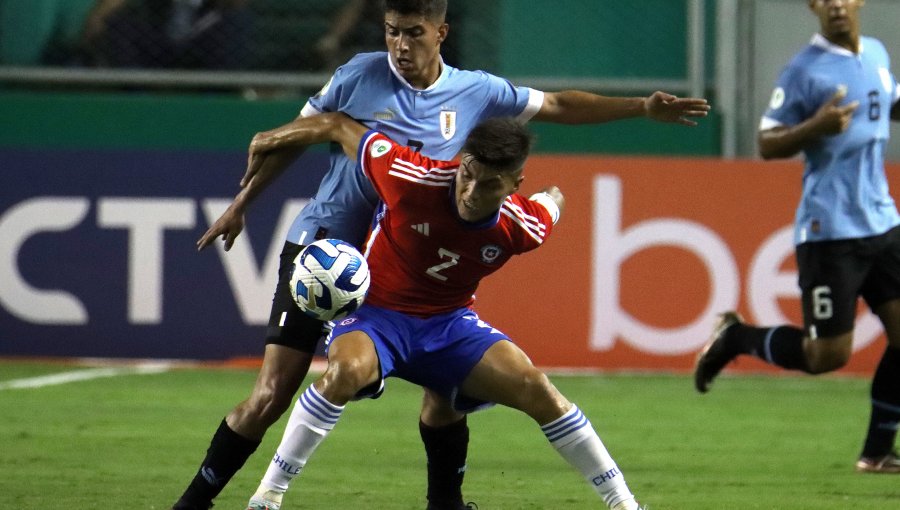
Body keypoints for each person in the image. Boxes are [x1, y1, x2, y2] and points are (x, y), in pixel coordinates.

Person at [175, 1, 710, 509]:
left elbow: (559, 106)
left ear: (440, 33)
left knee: (446, 389)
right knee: (272, 394)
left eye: (412, 32)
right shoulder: (359, 75)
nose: (399, 46)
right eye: (390, 31)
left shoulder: (477, 92)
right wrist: (243, 201)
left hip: (410, 257)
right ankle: (196, 501)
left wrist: (641, 106)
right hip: (328, 252)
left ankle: (443, 497)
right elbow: (304, 133)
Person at [244, 112, 646, 510]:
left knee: (537, 389)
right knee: (344, 373)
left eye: (489, 185)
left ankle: (624, 504)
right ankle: (267, 497)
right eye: (467, 173)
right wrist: (273, 137)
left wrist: (550, 197)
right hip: (375, 316)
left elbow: (552, 200)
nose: (471, 191)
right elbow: (338, 125)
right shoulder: (406, 175)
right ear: (460, 160)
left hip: (449, 324)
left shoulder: (523, 226)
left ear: (512, 186)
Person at [694, 0, 900, 474]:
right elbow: (768, 143)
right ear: (814, 7)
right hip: (831, 231)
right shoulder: (805, 71)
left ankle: (877, 452)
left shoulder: (875, 52)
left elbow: (886, 99)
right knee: (826, 356)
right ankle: (736, 337)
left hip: (882, 223)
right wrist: (817, 126)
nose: (835, 5)